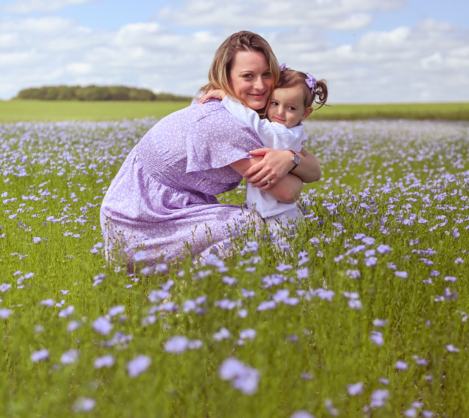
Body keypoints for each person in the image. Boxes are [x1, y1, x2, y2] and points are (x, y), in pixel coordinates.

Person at [100, 31, 321, 268]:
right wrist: (294, 165)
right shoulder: (221, 123)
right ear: (226, 76)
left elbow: (315, 171)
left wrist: (290, 158)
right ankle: (179, 297)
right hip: (140, 224)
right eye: (248, 76)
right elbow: (288, 193)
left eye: (266, 74)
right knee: (256, 225)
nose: (260, 85)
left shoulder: (244, 113)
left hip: (159, 213)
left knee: (272, 221)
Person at [198, 65, 328, 226]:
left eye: (291, 108)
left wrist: (227, 98)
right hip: (276, 209)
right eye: (274, 103)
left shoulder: (281, 133)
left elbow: (253, 122)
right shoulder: (293, 131)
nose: (280, 112)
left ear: (305, 113)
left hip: (278, 214)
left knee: (281, 249)